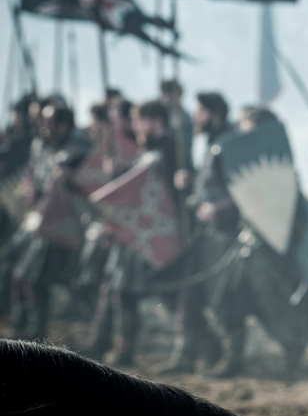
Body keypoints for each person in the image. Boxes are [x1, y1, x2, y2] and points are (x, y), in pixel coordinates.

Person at [211, 105, 308, 378]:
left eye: (248, 128)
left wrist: (285, 243)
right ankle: (235, 358)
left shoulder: (279, 168)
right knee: (232, 297)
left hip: (278, 244)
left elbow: (290, 214)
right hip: (249, 240)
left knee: (293, 299)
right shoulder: (245, 157)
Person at [85, 100, 176, 366]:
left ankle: (203, 347)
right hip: (138, 235)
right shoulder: (148, 150)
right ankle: (111, 345)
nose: (135, 127)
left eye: (140, 121)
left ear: (155, 121)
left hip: (156, 235)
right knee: (119, 290)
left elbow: (156, 194)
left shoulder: (169, 149)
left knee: (167, 295)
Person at [160, 92, 234, 374]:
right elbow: (209, 189)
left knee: (226, 297)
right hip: (207, 235)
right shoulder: (212, 144)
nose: (194, 117)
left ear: (215, 113)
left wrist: (219, 209)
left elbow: (244, 191)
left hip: (228, 236)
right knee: (188, 294)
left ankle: (231, 356)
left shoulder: (230, 143)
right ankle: (189, 353)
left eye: (199, 111)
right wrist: (191, 184)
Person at [9, 104, 91, 339]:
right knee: (21, 275)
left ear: (63, 126)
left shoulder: (76, 151)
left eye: (49, 122)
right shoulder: (45, 146)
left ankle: (36, 333)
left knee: (36, 280)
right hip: (39, 222)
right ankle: (22, 327)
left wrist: (68, 178)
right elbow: (34, 178)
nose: (42, 127)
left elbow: (83, 188)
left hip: (61, 227)